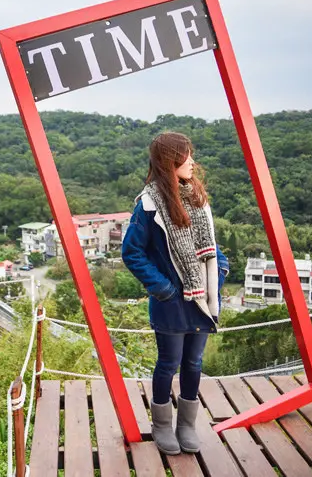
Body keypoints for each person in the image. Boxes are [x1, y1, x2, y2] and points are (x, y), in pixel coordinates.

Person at [121, 132, 228, 455]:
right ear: (170, 162)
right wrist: (163, 289)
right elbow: (132, 253)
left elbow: (211, 248)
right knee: (168, 364)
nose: (192, 162)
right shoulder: (149, 204)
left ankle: (186, 425)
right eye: (186, 157)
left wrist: (220, 272)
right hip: (171, 303)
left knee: (194, 363)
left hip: (201, 300)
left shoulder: (196, 198)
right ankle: (163, 425)